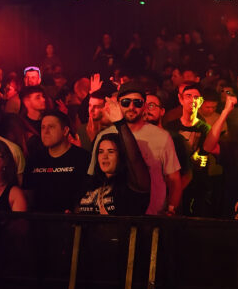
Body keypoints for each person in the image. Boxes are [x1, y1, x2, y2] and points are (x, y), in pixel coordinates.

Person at [87, 82, 182, 215]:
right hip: (115, 216)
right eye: (126, 102)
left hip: (153, 215)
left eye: (137, 103)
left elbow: (174, 179)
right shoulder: (104, 136)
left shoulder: (162, 136)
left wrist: (171, 209)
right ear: (118, 104)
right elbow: (93, 177)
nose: (131, 107)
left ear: (144, 106)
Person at [75, 97, 151, 215]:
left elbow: (135, 158)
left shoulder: (133, 185)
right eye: (101, 152)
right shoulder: (92, 183)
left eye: (110, 151)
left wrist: (120, 123)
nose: (104, 156)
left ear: (121, 155)